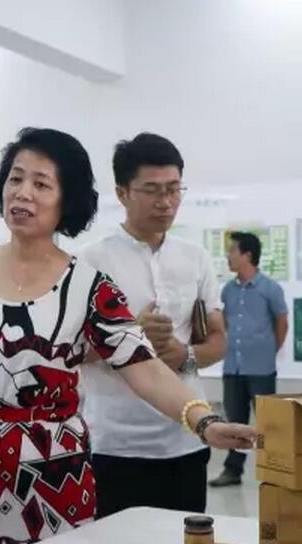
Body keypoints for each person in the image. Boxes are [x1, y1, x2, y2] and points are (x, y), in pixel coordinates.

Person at [0, 127, 256, 544]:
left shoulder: (88, 286)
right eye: (15, 178)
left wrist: (204, 421)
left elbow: (144, 367)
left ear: (67, 200)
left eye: (41, 184)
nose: (23, 193)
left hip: (54, 484)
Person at [77, 132, 227, 518]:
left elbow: (218, 341)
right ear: (122, 193)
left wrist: (185, 355)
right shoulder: (90, 262)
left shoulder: (196, 258)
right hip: (114, 444)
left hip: (186, 440)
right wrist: (128, 333)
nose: (166, 202)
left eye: (174, 189)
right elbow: (70, 351)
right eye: (152, 190)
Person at [209, 231, 288, 488]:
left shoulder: (270, 288)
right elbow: (224, 324)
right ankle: (233, 470)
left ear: (247, 255)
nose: (228, 256)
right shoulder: (228, 290)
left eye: (232, 251)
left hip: (261, 368)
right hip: (233, 367)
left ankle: (276, 471)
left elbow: (282, 323)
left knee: (268, 424)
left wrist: (269, 351)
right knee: (234, 422)